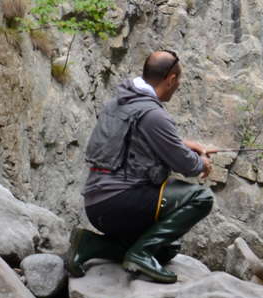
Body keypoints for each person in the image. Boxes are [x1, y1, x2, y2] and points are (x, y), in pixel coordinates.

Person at [63, 50, 216, 283]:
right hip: (120, 203)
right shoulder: (153, 114)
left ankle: (90, 244)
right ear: (171, 79)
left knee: (166, 249)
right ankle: (140, 253)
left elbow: (137, 138)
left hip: (96, 205)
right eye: (179, 80)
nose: (179, 85)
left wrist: (186, 144)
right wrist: (202, 162)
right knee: (201, 198)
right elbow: (186, 165)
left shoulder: (118, 103)